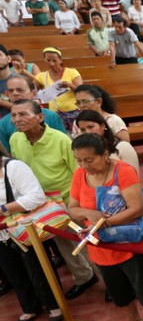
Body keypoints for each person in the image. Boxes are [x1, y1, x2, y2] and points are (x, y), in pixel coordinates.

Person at [68, 134, 143, 321]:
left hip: (128, 245)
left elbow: (137, 208)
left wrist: (105, 222)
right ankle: (134, 319)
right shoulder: (80, 174)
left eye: (89, 160)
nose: (84, 165)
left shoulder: (123, 171)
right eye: (79, 160)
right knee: (118, 289)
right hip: (100, 246)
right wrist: (89, 215)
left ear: (105, 154)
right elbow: (72, 208)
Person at [9, 100, 97, 300]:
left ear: (40, 117)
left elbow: (79, 173)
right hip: (42, 206)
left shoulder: (60, 140)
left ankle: (108, 283)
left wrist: (78, 205)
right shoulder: (15, 139)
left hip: (68, 200)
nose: (17, 119)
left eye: (23, 114)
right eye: (14, 115)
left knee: (86, 244)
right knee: (64, 246)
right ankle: (84, 278)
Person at [0, 153, 62, 321]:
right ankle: (30, 306)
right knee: (14, 272)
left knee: (38, 267)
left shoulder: (13, 167)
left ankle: (54, 303)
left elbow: (36, 196)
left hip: (25, 228)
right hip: (2, 233)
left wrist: (4, 209)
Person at [0, 76, 66, 155]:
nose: (15, 93)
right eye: (11, 91)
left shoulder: (51, 116)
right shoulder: (3, 123)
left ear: (33, 93)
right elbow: (9, 153)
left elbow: (64, 146)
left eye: (20, 90)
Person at [26, 48, 82, 130]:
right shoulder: (42, 76)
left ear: (60, 60)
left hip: (74, 112)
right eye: (48, 60)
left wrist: (70, 85)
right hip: (56, 114)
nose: (51, 63)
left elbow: (82, 91)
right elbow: (30, 91)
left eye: (54, 60)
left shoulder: (72, 72)